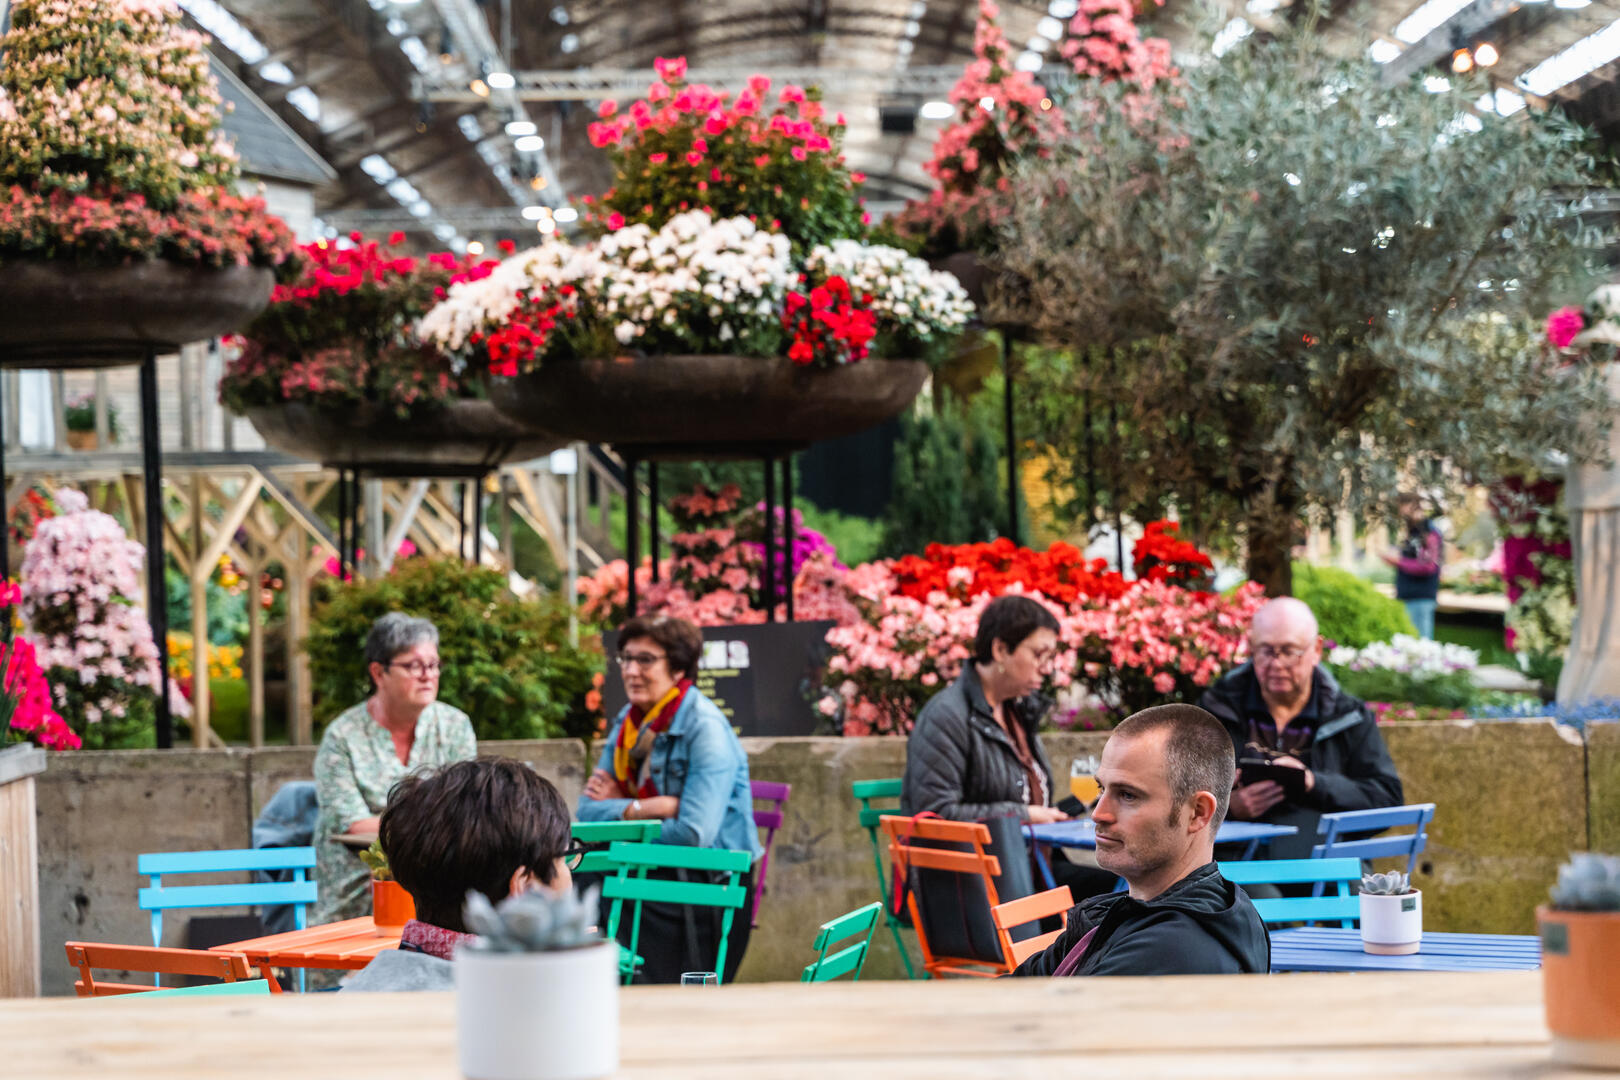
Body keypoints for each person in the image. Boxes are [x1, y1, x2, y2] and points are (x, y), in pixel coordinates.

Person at [1013, 704, 1270, 976]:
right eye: (1102, 788)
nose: (1099, 813)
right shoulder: (1133, 914)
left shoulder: (1167, 951)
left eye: (1127, 795)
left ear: (1197, 813)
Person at [576, 614, 763, 983]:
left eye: (645, 660)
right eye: (626, 659)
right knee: (574, 873)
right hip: (655, 867)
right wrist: (648, 808)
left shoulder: (704, 728)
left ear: (677, 668)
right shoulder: (629, 723)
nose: (631, 670)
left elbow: (694, 834)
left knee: (591, 891)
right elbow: (587, 812)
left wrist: (625, 812)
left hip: (708, 888)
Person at [902, 594, 1115, 902]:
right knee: (1121, 899)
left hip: (1024, 869)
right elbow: (935, 813)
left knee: (1131, 889)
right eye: (1039, 655)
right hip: (977, 888)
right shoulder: (946, 718)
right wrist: (1023, 814)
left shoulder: (1016, 711)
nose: (1046, 669)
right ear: (1000, 649)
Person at [1198, 597, 1403, 860]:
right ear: (1251, 647)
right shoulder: (1217, 708)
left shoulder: (1348, 715)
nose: (1277, 663)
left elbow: (1387, 801)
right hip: (1239, 866)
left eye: (1289, 651)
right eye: (1266, 650)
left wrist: (1314, 782)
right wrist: (1229, 806)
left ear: (1316, 650)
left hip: (1327, 861)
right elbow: (1179, 796)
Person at [342, 758, 574, 991]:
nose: (570, 874)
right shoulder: (536, 1007)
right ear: (526, 887)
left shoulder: (356, 991)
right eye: (566, 858)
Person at [313, 613, 476, 925]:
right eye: (414, 665)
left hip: (431, 893)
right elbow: (352, 824)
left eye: (433, 664)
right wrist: (432, 828)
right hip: (354, 895)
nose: (428, 675)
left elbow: (462, 813)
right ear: (378, 672)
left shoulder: (455, 726)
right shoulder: (343, 735)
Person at [1383, 494, 1443, 639]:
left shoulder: (1430, 532)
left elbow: (1428, 566)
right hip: (1407, 596)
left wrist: (1399, 561)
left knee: (1421, 645)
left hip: (1420, 596)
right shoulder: (1412, 533)